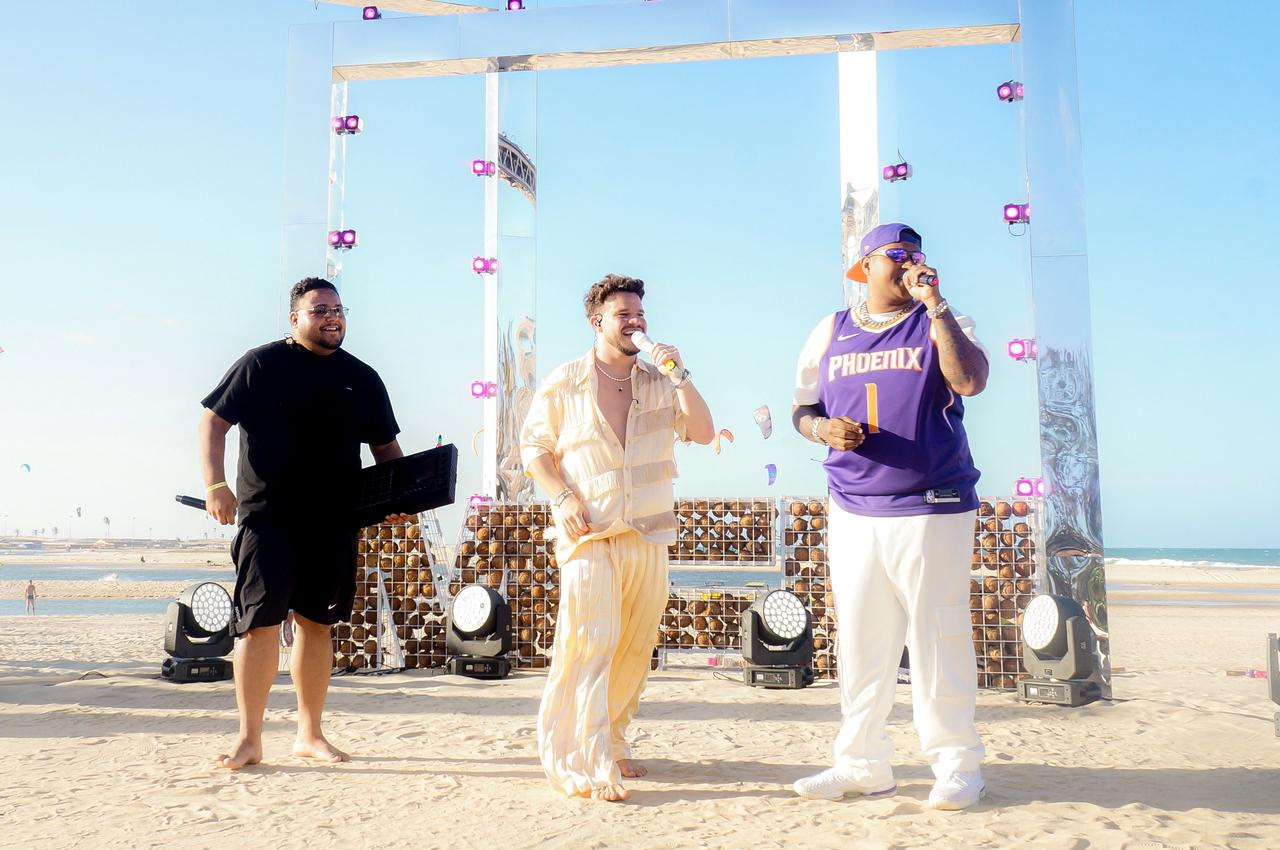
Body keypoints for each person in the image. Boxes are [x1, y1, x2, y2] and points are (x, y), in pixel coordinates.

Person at [790, 223, 991, 810]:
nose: (909, 263)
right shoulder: (831, 329)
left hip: (930, 502)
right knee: (861, 640)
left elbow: (970, 380)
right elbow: (802, 408)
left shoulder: (941, 319)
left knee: (936, 635)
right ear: (864, 267)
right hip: (852, 505)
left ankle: (957, 765)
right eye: (896, 255)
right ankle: (862, 764)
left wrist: (936, 305)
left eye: (917, 254)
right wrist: (822, 430)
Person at [200, 276, 410, 770]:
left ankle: (310, 735)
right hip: (268, 517)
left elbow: (386, 449)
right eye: (320, 310)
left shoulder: (362, 377)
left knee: (318, 624)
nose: (332, 317)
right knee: (259, 625)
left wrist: (401, 498)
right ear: (295, 318)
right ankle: (249, 739)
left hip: (334, 520)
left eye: (338, 309)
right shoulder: (260, 364)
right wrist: (215, 485)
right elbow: (213, 420)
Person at [519, 274, 715, 801]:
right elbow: (534, 449)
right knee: (589, 642)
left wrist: (680, 375)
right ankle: (586, 759)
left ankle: (614, 739)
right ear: (597, 322)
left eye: (639, 314)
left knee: (633, 646)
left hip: (648, 532)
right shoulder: (565, 381)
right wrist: (563, 496)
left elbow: (702, 432)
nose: (635, 322)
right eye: (623, 315)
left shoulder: (659, 380)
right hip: (589, 533)